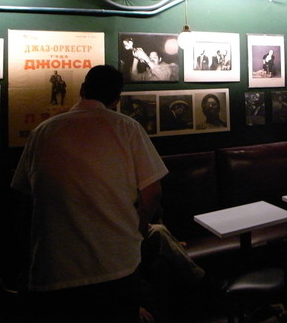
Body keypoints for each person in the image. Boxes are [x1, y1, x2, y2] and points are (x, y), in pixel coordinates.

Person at [11, 65, 169, 323]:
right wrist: (137, 229)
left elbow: (24, 197)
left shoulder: (43, 131)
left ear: (82, 89)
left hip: (54, 266)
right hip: (115, 261)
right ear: (117, 98)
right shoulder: (126, 128)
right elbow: (152, 193)